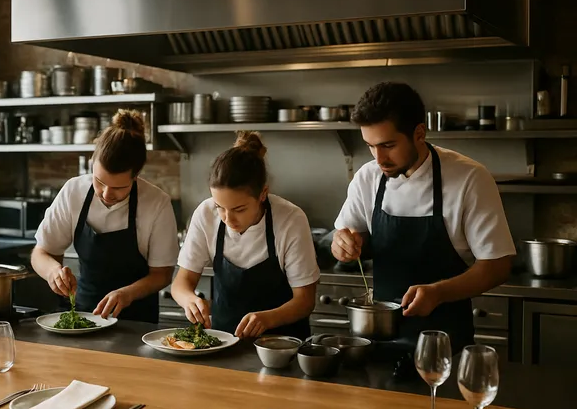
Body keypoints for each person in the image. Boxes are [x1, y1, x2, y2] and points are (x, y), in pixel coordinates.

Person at [332, 82, 515, 355]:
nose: (378, 158)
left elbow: (498, 265)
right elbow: (347, 234)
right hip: (377, 341)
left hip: (444, 344)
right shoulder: (368, 178)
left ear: (419, 133)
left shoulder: (469, 178)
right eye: (370, 146)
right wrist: (344, 244)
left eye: (388, 145)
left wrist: (438, 293)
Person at [31, 109, 179, 322]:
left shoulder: (156, 203)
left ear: (136, 176)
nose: (106, 194)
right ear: (93, 162)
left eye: (119, 187)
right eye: (99, 182)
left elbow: (162, 274)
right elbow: (41, 253)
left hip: (137, 323)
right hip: (84, 317)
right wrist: (53, 271)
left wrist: (127, 294)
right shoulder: (74, 191)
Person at [172, 131, 320, 338]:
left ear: (263, 194)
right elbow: (181, 283)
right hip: (224, 341)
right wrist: (190, 300)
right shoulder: (205, 214)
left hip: (283, 347)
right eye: (220, 207)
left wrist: (267, 319)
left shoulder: (290, 219)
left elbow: (305, 301)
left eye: (239, 209)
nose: (227, 218)